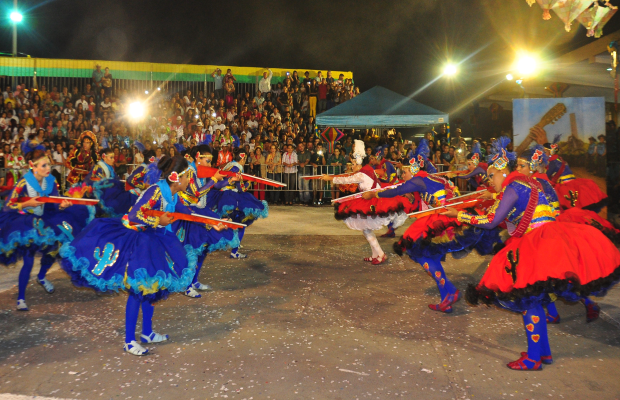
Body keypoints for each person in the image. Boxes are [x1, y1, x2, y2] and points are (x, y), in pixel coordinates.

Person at [445, 139, 620, 371]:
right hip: (549, 238)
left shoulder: (513, 186)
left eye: (491, 176)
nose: (490, 181)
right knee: (535, 299)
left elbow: (492, 221)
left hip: (536, 245)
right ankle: (543, 353)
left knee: (529, 302)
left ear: (501, 172)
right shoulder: (531, 184)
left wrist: (460, 215)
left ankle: (533, 358)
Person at [60, 156, 201, 356]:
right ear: (176, 178)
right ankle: (129, 340)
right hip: (138, 241)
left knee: (152, 287)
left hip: (155, 240)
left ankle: (147, 333)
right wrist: (157, 220)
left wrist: (215, 223)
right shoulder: (156, 191)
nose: (190, 181)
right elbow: (135, 215)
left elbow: (189, 214)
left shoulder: (173, 195)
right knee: (138, 290)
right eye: (188, 176)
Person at [380, 139, 500, 313]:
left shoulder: (418, 180)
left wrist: (375, 193)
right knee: (428, 254)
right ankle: (448, 294)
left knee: (418, 251)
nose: (402, 175)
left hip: (445, 221)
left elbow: (397, 190)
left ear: (412, 169)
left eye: (404, 171)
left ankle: (449, 291)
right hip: (444, 218)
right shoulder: (427, 178)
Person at [1, 148, 94, 311]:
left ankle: (41, 277)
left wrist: (62, 206)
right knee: (28, 261)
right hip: (25, 223)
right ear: (33, 166)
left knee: (54, 249)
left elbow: (53, 205)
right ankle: (21, 298)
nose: (48, 168)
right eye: (44, 166)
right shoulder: (23, 183)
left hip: (44, 219)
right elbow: (8, 207)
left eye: (49, 165)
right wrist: (26, 204)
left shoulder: (50, 181)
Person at [325, 140, 416, 265]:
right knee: (366, 229)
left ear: (358, 163)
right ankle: (376, 254)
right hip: (371, 199)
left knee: (366, 229)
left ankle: (380, 254)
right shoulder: (368, 170)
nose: (352, 167)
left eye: (353, 164)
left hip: (372, 202)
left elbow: (346, 179)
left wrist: (329, 178)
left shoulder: (362, 174)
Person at [207, 149, 269, 259]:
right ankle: (234, 251)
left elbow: (218, 184)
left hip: (221, 198)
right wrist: (249, 182)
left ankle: (212, 243)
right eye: (245, 159)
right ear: (243, 158)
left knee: (220, 222)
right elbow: (241, 189)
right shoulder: (238, 168)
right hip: (231, 198)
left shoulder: (228, 165)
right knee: (241, 224)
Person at [540, 131, 608, 212]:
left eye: (545, 152)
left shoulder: (553, 161)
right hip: (573, 181)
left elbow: (546, 175)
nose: (543, 154)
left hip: (564, 184)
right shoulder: (559, 158)